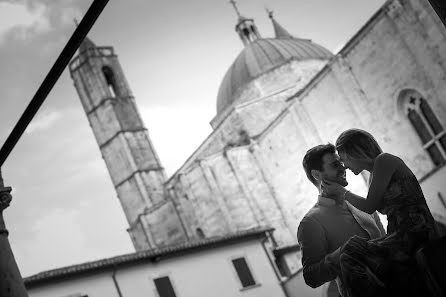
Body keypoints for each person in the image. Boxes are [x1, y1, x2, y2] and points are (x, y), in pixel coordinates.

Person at [322, 128, 439, 297]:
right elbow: (369, 207)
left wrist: (341, 192)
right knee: (347, 254)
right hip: (400, 233)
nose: (345, 166)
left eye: (344, 158)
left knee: (349, 252)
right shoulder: (373, 175)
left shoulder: (384, 161)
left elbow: (369, 206)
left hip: (415, 230)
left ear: (355, 151)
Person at [298, 144, 386, 297]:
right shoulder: (311, 222)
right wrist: (341, 253)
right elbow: (311, 277)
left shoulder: (362, 204)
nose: (343, 168)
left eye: (341, 162)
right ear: (317, 175)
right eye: (335, 165)